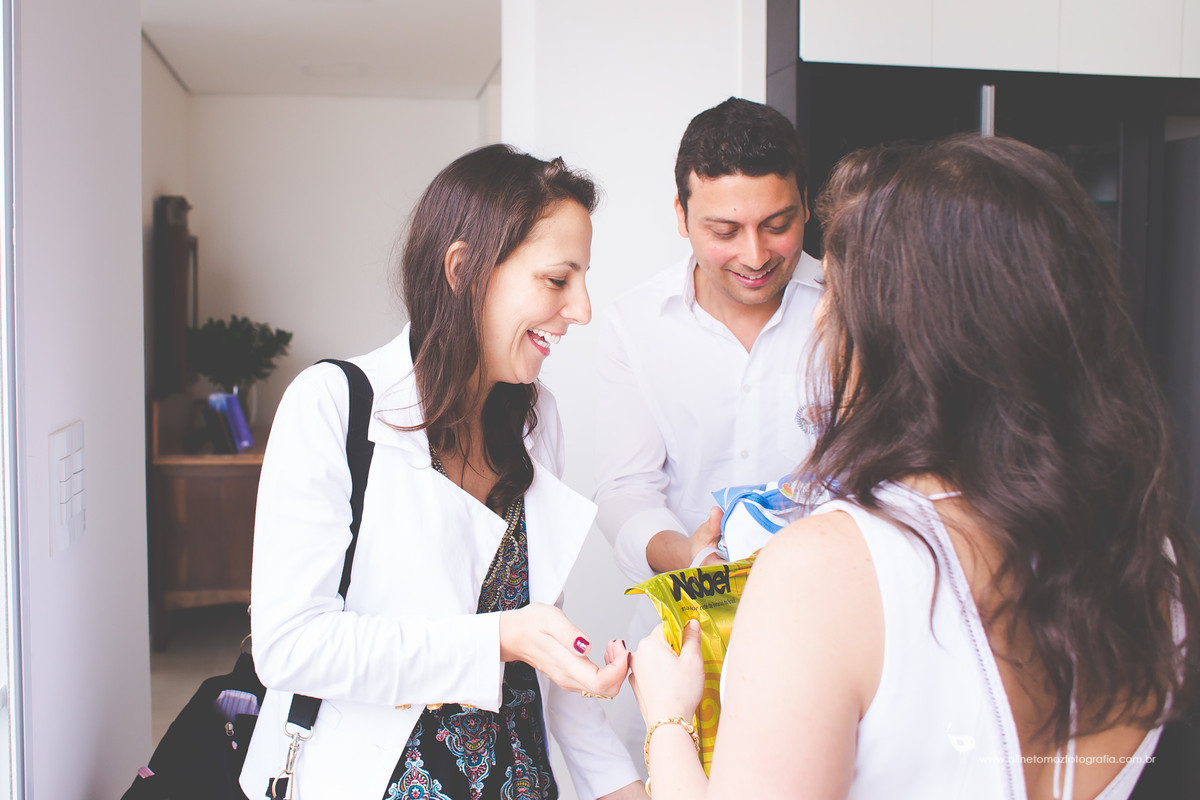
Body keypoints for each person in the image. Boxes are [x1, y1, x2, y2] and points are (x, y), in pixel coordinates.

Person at [630, 134, 1200, 799]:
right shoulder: (1149, 562)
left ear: (891, 333)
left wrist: (667, 716)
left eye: (834, 295)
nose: (818, 317)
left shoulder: (828, 570)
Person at [240, 144, 646, 800]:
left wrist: (622, 787)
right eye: (557, 280)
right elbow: (289, 646)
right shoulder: (333, 404)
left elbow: (545, 653)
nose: (583, 310)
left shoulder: (539, 423)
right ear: (465, 270)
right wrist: (500, 638)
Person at [593, 97, 823, 584]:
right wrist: (688, 553)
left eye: (777, 226)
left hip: (824, 613)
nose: (755, 255)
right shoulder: (635, 325)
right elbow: (626, 489)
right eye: (725, 231)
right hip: (687, 630)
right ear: (682, 216)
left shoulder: (855, 308)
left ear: (805, 203)